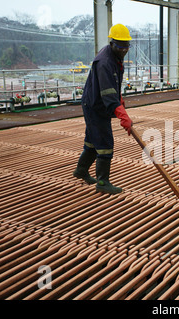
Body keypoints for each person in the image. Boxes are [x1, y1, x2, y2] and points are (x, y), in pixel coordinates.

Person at [73, 24, 133, 194]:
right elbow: (108, 94)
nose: (124, 49)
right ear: (112, 43)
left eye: (127, 45)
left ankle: (81, 170)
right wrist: (123, 116)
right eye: (120, 45)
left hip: (96, 103)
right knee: (105, 143)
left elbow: (112, 86)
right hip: (95, 106)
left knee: (92, 141)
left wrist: (119, 99)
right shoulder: (105, 62)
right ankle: (102, 182)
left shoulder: (115, 56)